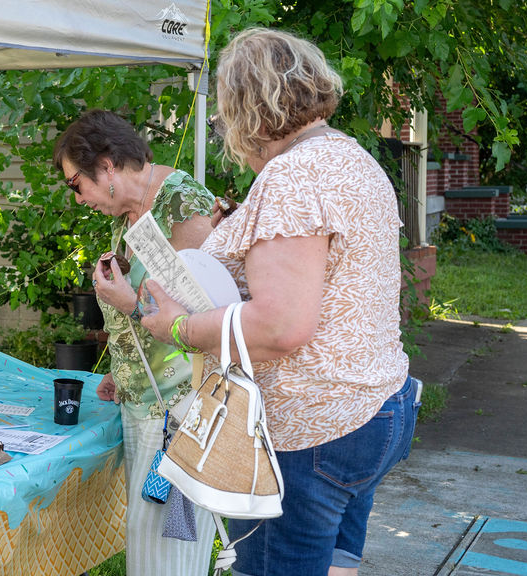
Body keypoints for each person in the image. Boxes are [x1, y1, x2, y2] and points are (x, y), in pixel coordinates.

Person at [141, 28, 418, 576]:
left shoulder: (292, 176)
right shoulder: (350, 157)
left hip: (309, 428)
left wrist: (179, 328)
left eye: (223, 115)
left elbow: (280, 327)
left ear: (246, 110)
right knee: (336, 566)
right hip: (376, 406)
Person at [53, 109, 217, 576]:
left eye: (76, 184)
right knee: (149, 552)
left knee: (168, 557)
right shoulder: (129, 213)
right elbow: (151, 308)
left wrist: (127, 303)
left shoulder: (182, 204)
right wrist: (121, 367)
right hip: (145, 401)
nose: (78, 198)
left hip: (181, 410)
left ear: (106, 165)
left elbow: (205, 323)